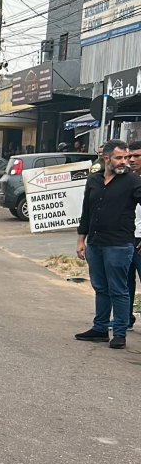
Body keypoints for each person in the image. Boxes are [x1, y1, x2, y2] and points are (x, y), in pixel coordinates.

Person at [75, 139, 141, 349]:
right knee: (100, 287)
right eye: (119, 158)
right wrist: (81, 239)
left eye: (127, 157)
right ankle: (100, 328)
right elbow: (87, 211)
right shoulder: (93, 180)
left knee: (118, 289)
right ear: (106, 158)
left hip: (119, 244)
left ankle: (119, 333)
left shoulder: (132, 181)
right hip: (95, 243)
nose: (125, 161)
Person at [128, 141, 141, 331]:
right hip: (125, 237)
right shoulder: (128, 180)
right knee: (125, 282)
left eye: (137, 156)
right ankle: (125, 318)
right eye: (129, 156)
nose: (131, 160)